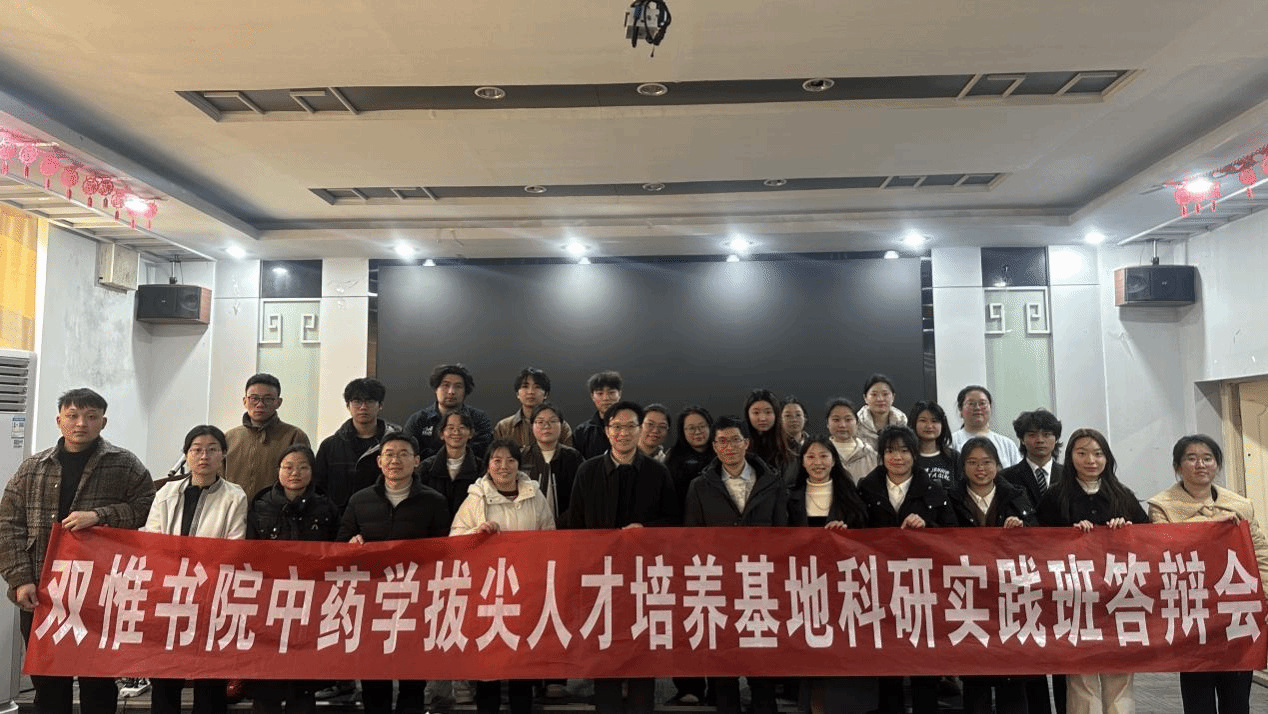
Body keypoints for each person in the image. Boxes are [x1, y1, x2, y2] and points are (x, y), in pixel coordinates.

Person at [0, 388, 155, 714]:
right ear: (59, 420)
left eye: (91, 416)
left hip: (99, 591)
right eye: (72, 416)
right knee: (48, 681)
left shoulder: (124, 465)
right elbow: (8, 524)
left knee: (98, 681)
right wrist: (20, 579)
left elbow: (147, 508)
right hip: (43, 589)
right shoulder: (33, 468)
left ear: (103, 422)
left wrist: (100, 516)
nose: (81, 423)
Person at [565, 401, 678, 714]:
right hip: (600, 578)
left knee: (643, 652)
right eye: (617, 426)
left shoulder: (658, 473)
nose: (623, 433)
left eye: (630, 426)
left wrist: (646, 530)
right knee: (605, 651)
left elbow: (673, 523)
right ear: (607, 431)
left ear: (641, 431)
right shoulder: (588, 471)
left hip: (644, 578)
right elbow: (575, 525)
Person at [1147, 434, 1268, 714]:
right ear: (1178, 466)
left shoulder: (1240, 505)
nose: (1200, 465)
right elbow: (1163, 546)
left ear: (1217, 464)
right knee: (1198, 698)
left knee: (1237, 698)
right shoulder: (1162, 505)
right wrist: (1211, 527)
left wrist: (1265, 596)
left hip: (1235, 607)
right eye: (1191, 458)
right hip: (1194, 610)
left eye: (1207, 458)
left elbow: (1259, 552)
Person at [337, 432, 451, 714]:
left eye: (403, 454)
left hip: (416, 599)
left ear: (417, 461)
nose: (395, 460)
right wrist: (351, 543)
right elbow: (340, 543)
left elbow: (445, 550)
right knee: (374, 675)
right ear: (379, 461)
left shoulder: (434, 501)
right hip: (372, 600)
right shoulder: (360, 500)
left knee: (413, 677)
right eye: (389, 454)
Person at [1037, 428, 1148, 714]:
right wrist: (1068, 535)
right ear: (1070, 456)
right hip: (1075, 600)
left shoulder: (1122, 495)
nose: (1091, 460)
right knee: (1081, 677)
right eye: (1082, 453)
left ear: (1107, 458)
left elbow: (1149, 539)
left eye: (1098, 454)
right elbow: (1038, 544)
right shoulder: (1055, 496)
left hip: (1117, 597)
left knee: (1119, 674)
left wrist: (1128, 530)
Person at [683, 415, 789, 714]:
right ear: (714, 447)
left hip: (760, 581)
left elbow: (783, 531)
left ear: (747, 443)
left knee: (761, 657)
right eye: (721, 441)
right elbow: (692, 537)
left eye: (734, 440)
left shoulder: (771, 482)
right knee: (723, 658)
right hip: (719, 582)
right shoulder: (700, 486)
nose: (728, 447)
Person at [145, 425, 248, 714]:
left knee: (210, 676)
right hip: (170, 594)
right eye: (197, 450)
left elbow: (234, 545)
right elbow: (153, 541)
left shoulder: (234, 496)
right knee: (166, 676)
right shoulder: (166, 493)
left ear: (223, 454)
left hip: (211, 595)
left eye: (212, 449)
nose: (204, 456)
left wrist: (203, 577)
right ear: (186, 454)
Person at [450, 439, 555, 714]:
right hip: (488, 593)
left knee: (522, 665)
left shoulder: (535, 496)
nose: (503, 466)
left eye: (510, 460)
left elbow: (550, 537)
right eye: (496, 460)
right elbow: (454, 540)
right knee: (489, 666)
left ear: (519, 465)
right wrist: (476, 533)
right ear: (487, 465)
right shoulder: (476, 498)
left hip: (526, 591)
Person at [856, 425, 955, 714]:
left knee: (924, 660)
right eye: (890, 451)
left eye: (904, 451)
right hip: (882, 587)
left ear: (914, 454)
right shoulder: (867, 488)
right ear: (881, 455)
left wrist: (928, 526)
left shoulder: (934, 489)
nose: (897, 457)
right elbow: (857, 530)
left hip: (923, 588)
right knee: (888, 661)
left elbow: (953, 534)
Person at [246, 445, 338, 714]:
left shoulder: (326, 507)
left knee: (302, 682)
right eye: (288, 467)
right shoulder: (260, 505)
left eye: (303, 467)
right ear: (278, 471)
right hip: (269, 602)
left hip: (310, 602)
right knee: (266, 679)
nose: (295, 473)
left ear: (312, 472)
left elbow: (337, 550)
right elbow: (249, 552)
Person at [787, 436, 874, 714]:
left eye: (824, 456)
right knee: (813, 657)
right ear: (802, 462)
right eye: (811, 457)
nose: (818, 462)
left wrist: (847, 535)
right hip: (805, 587)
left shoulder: (850, 495)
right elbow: (779, 539)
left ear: (834, 460)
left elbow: (868, 540)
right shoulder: (789, 497)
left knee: (843, 653)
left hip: (843, 586)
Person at [948, 437, 1035, 714]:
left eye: (987, 462)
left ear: (998, 464)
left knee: (1012, 673)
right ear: (963, 467)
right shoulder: (950, 497)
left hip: (1008, 596)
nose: (980, 469)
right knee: (976, 675)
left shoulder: (1016, 495)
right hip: (969, 596)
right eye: (972, 463)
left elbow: (1038, 536)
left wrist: (1022, 527)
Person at [662, 404, 714, 706]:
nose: (697, 432)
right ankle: (688, 686)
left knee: (718, 618)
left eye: (702, 426)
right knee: (686, 618)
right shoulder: (673, 460)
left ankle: (720, 685)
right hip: (682, 550)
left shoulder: (722, 454)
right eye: (690, 428)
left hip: (718, 551)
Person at [313, 377, 399, 513]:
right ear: (348, 406)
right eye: (357, 401)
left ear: (380, 405)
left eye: (370, 401)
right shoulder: (330, 446)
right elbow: (318, 488)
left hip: (383, 516)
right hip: (340, 518)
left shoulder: (396, 444)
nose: (363, 407)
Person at [225, 373, 311, 498]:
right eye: (254, 398)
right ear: (245, 401)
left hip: (277, 508)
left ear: (278, 402)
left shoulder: (294, 436)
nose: (260, 404)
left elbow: (304, 480)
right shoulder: (229, 438)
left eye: (268, 399)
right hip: (234, 508)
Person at [402, 363, 494, 462]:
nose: (451, 391)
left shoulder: (479, 419)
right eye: (445, 385)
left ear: (465, 391)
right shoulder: (418, 420)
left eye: (458, 386)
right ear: (435, 389)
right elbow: (408, 454)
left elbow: (482, 453)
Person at [519, 403, 583, 528]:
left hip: (567, 527)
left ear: (561, 425)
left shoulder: (574, 457)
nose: (546, 426)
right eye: (540, 422)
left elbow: (581, 496)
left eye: (553, 421)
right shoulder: (521, 456)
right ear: (532, 426)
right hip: (528, 526)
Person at [417, 410, 484, 517]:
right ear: (441, 434)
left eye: (462, 427)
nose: (456, 432)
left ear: (470, 433)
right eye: (450, 428)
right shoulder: (426, 467)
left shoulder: (481, 467)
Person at [493, 366, 574, 448]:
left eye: (537, 387)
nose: (531, 392)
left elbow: (569, 454)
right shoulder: (503, 427)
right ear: (517, 394)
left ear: (545, 394)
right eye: (525, 386)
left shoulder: (560, 426)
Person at [1001, 408, 1064, 512]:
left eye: (1046, 434)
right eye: (1032, 435)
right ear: (1022, 439)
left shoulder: (1068, 475)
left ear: (1056, 438)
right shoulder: (1006, 477)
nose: (1040, 440)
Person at [949, 385, 1021, 467]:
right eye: (971, 404)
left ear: (990, 408)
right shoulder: (951, 442)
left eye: (982, 403)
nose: (977, 408)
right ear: (960, 410)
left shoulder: (1007, 444)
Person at [571, 370, 623, 459]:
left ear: (619, 394)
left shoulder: (634, 427)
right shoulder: (581, 432)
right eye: (600, 393)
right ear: (592, 396)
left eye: (611, 393)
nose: (606, 398)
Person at [909, 400, 960, 491]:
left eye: (934, 421)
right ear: (914, 423)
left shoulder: (954, 457)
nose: (929, 426)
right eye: (923, 420)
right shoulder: (907, 457)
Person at [825, 398, 877, 483]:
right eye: (836, 420)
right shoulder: (820, 453)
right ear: (827, 423)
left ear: (857, 423)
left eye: (848, 420)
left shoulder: (871, 455)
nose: (842, 425)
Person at [744, 388, 792, 474]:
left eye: (768, 412)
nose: (763, 418)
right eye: (756, 413)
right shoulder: (740, 444)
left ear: (776, 414)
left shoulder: (790, 446)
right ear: (748, 415)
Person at [856, 374, 908, 447]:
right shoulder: (856, 423)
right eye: (874, 395)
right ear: (865, 398)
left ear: (893, 397)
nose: (880, 399)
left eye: (885, 394)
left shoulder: (902, 422)